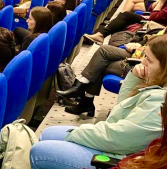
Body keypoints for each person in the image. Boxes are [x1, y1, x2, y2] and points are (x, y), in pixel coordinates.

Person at [29, 36, 167, 169]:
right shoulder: (158, 86)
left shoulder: (160, 101)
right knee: (48, 133)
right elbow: (121, 110)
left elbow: (118, 139)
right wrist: (134, 78)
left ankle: (80, 89)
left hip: (124, 157)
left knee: (39, 152)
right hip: (120, 144)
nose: (142, 62)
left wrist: (75, 134)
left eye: (148, 59)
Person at [58, 32, 165, 115]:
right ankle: (84, 97)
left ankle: (82, 94)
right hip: (141, 52)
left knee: (100, 64)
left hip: (138, 62)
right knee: (103, 51)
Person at [84, 0, 167, 45]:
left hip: (158, 27)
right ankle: (101, 35)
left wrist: (161, 2)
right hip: (155, 21)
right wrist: (158, 2)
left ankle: (102, 35)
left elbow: (154, 18)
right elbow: (150, 9)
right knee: (126, 15)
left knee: (125, 16)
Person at [113, 92, 166, 169]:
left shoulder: (157, 147)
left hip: (116, 150)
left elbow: (114, 136)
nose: (159, 113)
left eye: (163, 108)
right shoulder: (158, 145)